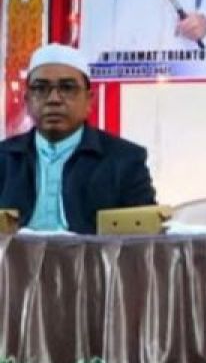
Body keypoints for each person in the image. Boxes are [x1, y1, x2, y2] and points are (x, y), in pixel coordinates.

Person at [0, 44, 157, 233]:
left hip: (95, 254)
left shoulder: (125, 159)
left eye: (67, 88)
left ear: (89, 100)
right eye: (40, 88)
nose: (54, 99)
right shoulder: (4, 158)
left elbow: (146, 236)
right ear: (27, 100)